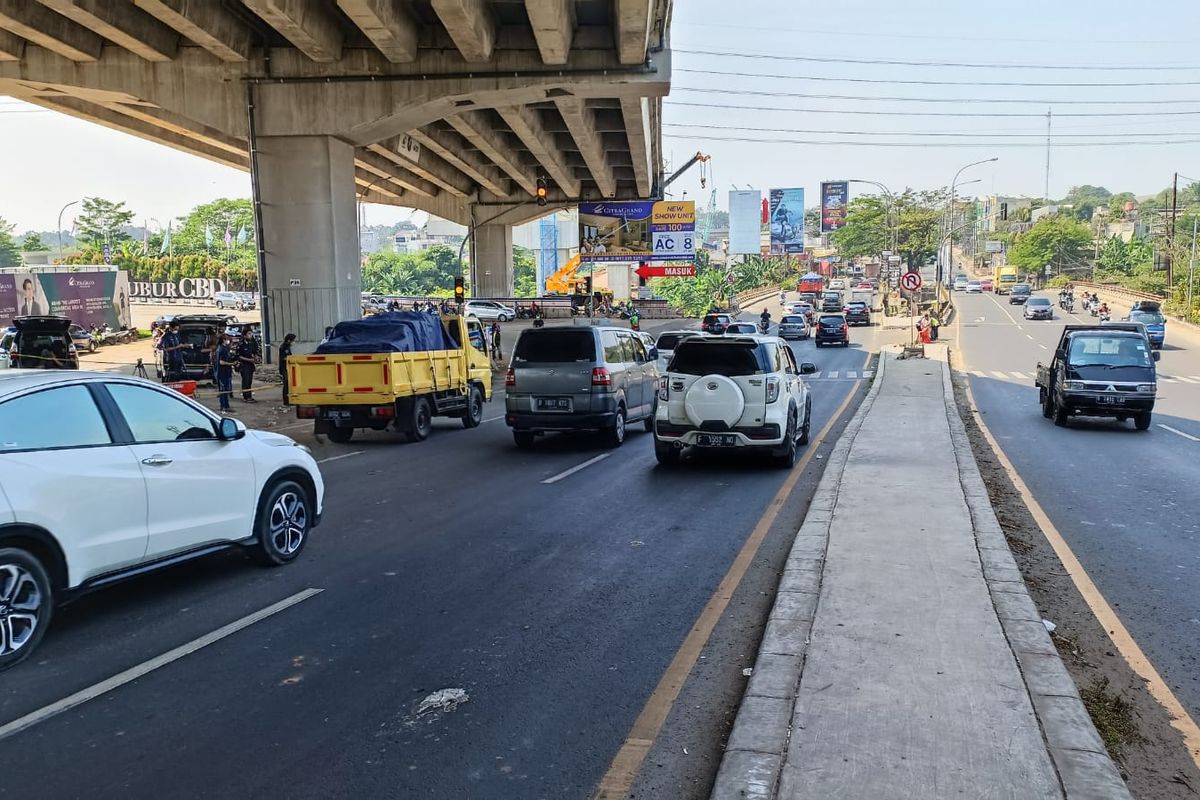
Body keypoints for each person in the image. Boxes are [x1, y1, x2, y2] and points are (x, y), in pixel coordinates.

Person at [236, 328, 259, 403]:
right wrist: (249, 360)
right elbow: (239, 356)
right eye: (249, 334)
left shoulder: (252, 344)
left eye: (251, 333)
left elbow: (254, 352)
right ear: (244, 335)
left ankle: (249, 396)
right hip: (244, 365)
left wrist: (256, 358)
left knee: (249, 381)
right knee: (246, 381)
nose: (251, 335)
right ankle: (246, 397)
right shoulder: (241, 345)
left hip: (251, 365)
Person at [215, 334, 237, 413]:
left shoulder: (222, 348)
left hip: (225, 372)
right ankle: (224, 406)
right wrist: (231, 364)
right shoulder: (222, 349)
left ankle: (224, 406)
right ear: (223, 340)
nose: (228, 341)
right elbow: (221, 362)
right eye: (227, 339)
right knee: (224, 390)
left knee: (224, 390)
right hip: (222, 373)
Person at [279, 333, 296, 405]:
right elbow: (283, 358)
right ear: (289, 340)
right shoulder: (283, 347)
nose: (294, 342)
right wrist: (290, 359)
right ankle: (286, 401)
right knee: (286, 384)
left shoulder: (288, 347)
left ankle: (289, 400)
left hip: (287, 368)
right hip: (284, 368)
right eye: (293, 340)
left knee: (289, 384)